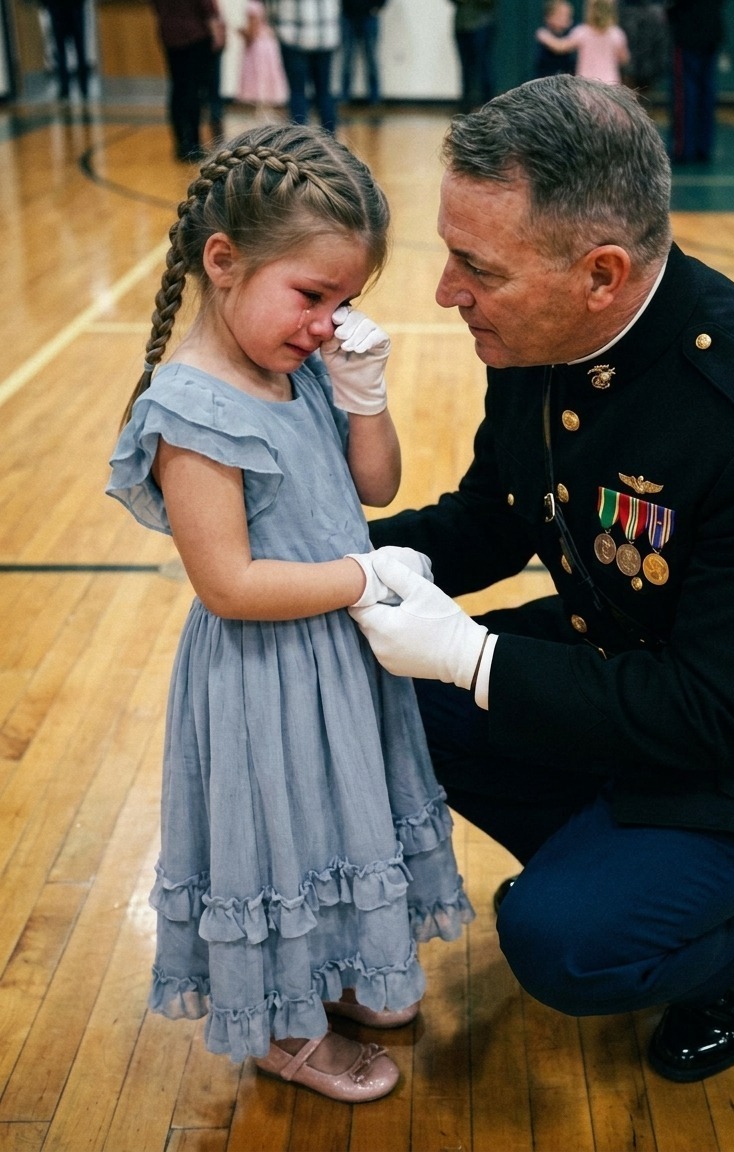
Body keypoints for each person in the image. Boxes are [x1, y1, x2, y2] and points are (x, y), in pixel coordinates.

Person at [349, 76, 734, 1083]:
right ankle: (630, 867)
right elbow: (494, 516)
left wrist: (472, 656)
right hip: (625, 663)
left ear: (600, 273)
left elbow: (706, 712)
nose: (446, 291)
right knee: (371, 687)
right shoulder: (540, 330)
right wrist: (332, 559)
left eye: (478, 267)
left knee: (563, 942)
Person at [106, 124, 473, 1102]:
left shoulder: (298, 363)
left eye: (343, 302)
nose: (325, 323)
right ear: (223, 261)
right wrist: (360, 577)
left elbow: (376, 484)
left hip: (334, 661)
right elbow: (227, 583)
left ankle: (338, 969)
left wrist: (363, 395)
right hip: (265, 674)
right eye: (311, 295)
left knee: (337, 825)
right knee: (281, 841)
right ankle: (279, 1028)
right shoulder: (192, 409)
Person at [151, 0, 226, 160]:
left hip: (169, 35)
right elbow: (207, 8)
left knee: (178, 90)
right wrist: (218, 34)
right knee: (194, 91)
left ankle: (181, 143)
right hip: (195, 36)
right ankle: (193, 144)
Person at [268, 0, 339, 133]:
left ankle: (299, 139)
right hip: (325, 37)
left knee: (297, 92)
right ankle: (330, 139)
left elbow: (272, 7)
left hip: (294, 37)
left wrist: (276, 26)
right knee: (324, 92)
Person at [666, 0, 725, 163]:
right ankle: (702, 147)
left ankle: (684, 148)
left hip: (688, 34)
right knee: (705, 92)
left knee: (686, 94)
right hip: (710, 33)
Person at [535, 0, 629, 86]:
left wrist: (544, 36)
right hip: (611, 84)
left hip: (585, 84)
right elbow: (624, 59)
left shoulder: (582, 32)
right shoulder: (617, 34)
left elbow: (560, 47)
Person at [237, 0, 289, 114]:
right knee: (267, 75)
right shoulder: (268, 5)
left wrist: (241, 33)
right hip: (269, 44)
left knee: (259, 75)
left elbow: (252, 33)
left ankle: (261, 109)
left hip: (258, 46)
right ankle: (267, 108)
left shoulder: (252, 6)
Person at [450, 0, 496, 113]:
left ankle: (489, 106)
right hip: (461, 24)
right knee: (465, 68)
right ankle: (466, 106)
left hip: (481, 23)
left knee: (483, 66)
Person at [340, 0, 388, 106]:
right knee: (347, 59)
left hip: (369, 17)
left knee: (371, 59)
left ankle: (374, 98)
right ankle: (344, 97)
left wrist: (378, 6)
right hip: (348, 16)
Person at [43, 0, 91, 101]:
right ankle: (83, 87)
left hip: (58, 8)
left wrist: (47, 5)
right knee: (79, 49)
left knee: (61, 50)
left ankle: (65, 87)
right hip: (73, 7)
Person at [621, 0, 667, 101]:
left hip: (646, 70)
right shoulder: (625, 12)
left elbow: (660, 45)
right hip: (634, 69)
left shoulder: (656, 13)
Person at [533, 0, 576, 79]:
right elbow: (558, 47)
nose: (566, 18)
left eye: (568, 15)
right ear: (549, 17)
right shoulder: (543, 34)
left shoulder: (572, 35)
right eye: (561, 15)